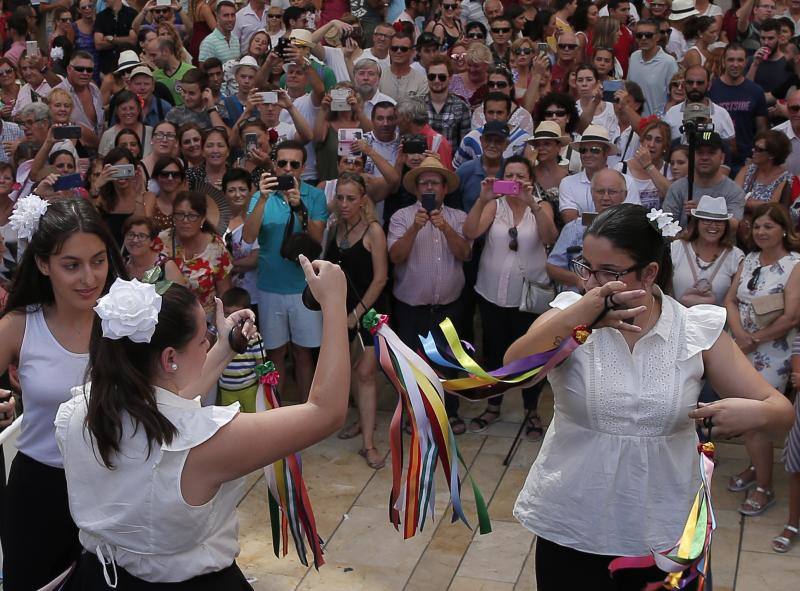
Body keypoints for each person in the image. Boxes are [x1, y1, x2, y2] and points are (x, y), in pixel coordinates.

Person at [506, 202, 795, 590]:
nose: (592, 283)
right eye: (586, 268)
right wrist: (580, 316)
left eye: (609, 272)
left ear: (649, 273)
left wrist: (753, 414)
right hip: (573, 522)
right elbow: (512, 374)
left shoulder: (693, 330)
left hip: (664, 528)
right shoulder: (568, 317)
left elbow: (780, 410)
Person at [54, 256, 348, 587]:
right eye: (202, 337)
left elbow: (163, 403)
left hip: (99, 580)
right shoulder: (204, 442)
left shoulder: (79, 411)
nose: (209, 340)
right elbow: (326, 411)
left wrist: (224, 348)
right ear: (169, 358)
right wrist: (334, 303)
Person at [0, 198, 127, 591]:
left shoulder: (128, 321)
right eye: (71, 265)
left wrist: (225, 347)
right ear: (43, 264)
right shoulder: (20, 326)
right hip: (39, 490)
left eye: (98, 260)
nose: (89, 277)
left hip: (117, 488)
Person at [464, 155, 558, 438]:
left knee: (529, 354)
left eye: (521, 176)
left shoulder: (541, 207)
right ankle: (493, 405)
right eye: (510, 175)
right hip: (492, 293)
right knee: (494, 351)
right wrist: (482, 199)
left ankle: (531, 410)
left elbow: (549, 235)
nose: (515, 181)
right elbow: (469, 232)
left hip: (527, 298)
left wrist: (532, 203)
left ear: (530, 180)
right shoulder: (494, 205)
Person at [724, 202, 800, 518]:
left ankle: (764, 487)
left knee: (755, 420)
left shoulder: (795, 264)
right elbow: (730, 299)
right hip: (740, 345)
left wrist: (752, 340)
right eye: (757, 226)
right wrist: (740, 335)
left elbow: (792, 316)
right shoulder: (750, 259)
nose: (761, 232)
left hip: (773, 352)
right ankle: (757, 466)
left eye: (768, 226)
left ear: (784, 229)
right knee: (747, 418)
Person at [388, 157, 471, 433]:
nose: (430, 188)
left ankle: (449, 412)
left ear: (445, 189)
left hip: (449, 305)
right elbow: (396, 257)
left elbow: (465, 255)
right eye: (424, 183)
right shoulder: (401, 217)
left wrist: (445, 227)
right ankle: (415, 414)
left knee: (449, 360)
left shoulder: (459, 218)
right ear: (416, 189)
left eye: (435, 183)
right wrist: (415, 227)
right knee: (412, 365)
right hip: (412, 307)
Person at [243, 141, 328, 402]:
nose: (288, 169)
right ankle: (277, 411)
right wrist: (263, 199)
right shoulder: (261, 195)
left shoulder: (314, 195)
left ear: (303, 167)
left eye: (294, 164)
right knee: (275, 353)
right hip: (270, 287)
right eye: (282, 163)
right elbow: (248, 236)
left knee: (303, 354)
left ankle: (307, 410)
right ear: (274, 165)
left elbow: (317, 239)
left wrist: (299, 207)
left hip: (303, 288)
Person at [324, 172, 388, 469]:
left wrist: (357, 314)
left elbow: (380, 279)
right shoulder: (335, 228)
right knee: (350, 370)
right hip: (342, 313)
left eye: (351, 198)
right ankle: (363, 423)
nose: (345, 203)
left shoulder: (373, 230)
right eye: (340, 197)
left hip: (371, 312)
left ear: (363, 200)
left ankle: (369, 445)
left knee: (365, 373)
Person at [546, 168, 629, 291]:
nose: (605, 197)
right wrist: (578, 280)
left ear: (624, 195)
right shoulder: (574, 228)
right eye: (600, 191)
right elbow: (552, 267)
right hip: (578, 299)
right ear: (592, 193)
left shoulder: (632, 228)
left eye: (612, 192)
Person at [159, 190, 233, 317]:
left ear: (202, 218)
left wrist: (213, 329)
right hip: (168, 317)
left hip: (206, 320)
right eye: (180, 215)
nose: (185, 220)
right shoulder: (162, 240)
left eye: (192, 215)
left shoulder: (216, 247)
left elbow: (224, 295)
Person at [671, 195, 744, 308]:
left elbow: (736, 301)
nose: (713, 226)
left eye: (719, 222)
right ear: (697, 223)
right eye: (707, 220)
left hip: (718, 324)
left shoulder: (735, 256)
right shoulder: (676, 248)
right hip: (678, 320)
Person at [662, 131, 746, 227]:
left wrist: (703, 211)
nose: (705, 157)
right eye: (700, 152)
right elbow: (666, 226)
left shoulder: (734, 191)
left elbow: (734, 225)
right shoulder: (676, 189)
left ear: (722, 158)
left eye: (711, 152)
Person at [558, 124, 640, 223]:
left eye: (594, 150)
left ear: (606, 153)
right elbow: (571, 221)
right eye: (583, 150)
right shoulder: (567, 183)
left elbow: (632, 218)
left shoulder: (628, 182)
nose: (587, 155)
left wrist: (585, 219)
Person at [709, 43, 769, 174]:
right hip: (716, 158)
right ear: (723, 62)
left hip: (745, 160)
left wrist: (757, 156)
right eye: (731, 60)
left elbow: (762, 130)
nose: (735, 64)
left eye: (740, 60)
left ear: (746, 62)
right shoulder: (711, 89)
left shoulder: (755, 91)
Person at [217, 287, 265, 413]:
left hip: (249, 388)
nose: (233, 319)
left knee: (254, 419)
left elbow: (260, 361)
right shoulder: (220, 335)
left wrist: (264, 384)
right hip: (226, 390)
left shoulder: (254, 337)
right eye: (227, 313)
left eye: (237, 314)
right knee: (229, 421)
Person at [735, 130, 793, 223]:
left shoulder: (784, 178)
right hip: (740, 224)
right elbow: (732, 198)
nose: (753, 150)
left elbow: (771, 208)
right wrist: (758, 204)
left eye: (759, 149)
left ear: (772, 154)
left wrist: (745, 202)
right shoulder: (747, 170)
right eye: (754, 147)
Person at [614, 118, 672, 210]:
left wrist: (648, 165)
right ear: (641, 142)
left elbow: (672, 196)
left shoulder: (668, 169)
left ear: (665, 146)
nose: (651, 144)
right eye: (648, 138)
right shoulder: (622, 168)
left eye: (658, 140)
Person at [627, 18, 679, 115]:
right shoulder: (634, 57)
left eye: (648, 35)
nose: (643, 38)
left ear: (658, 37)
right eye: (639, 35)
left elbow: (675, 96)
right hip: (633, 119)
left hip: (656, 123)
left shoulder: (669, 62)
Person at [426, 55, 472, 150]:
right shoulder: (417, 106)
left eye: (442, 77)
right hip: (421, 163)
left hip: (449, 163)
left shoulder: (462, 108)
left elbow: (464, 147)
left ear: (450, 78)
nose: (436, 80)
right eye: (432, 76)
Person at [122, 215, 184, 284]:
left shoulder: (166, 266)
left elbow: (180, 294)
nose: (135, 240)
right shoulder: (121, 264)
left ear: (152, 242)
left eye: (142, 236)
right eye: (131, 234)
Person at [98, 90, 153, 157]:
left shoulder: (150, 132)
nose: (128, 112)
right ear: (117, 111)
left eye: (131, 108)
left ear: (138, 110)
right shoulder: (108, 135)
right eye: (124, 109)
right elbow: (101, 162)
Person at [379, 28, 428, 102]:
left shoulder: (422, 81)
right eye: (394, 48)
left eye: (403, 49)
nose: (398, 52)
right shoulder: (379, 77)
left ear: (412, 52)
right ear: (389, 50)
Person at [93, 0, 138, 76]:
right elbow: (98, 44)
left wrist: (112, 40)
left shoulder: (132, 14)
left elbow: (133, 41)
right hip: (107, 68)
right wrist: (123, 41)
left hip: (129, 67)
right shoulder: (101, 16)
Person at [145, 156, 186, 231]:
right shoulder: (148, 204)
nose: (170, 178)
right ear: (156, 177)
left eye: (175, 175)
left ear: (181, 179)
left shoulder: (188, 206)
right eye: (164, 174)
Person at [153, 37, 195, 107]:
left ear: (165, 52)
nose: (152, 59)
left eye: (154, 55)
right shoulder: (154, 76)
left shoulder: (191, 71)